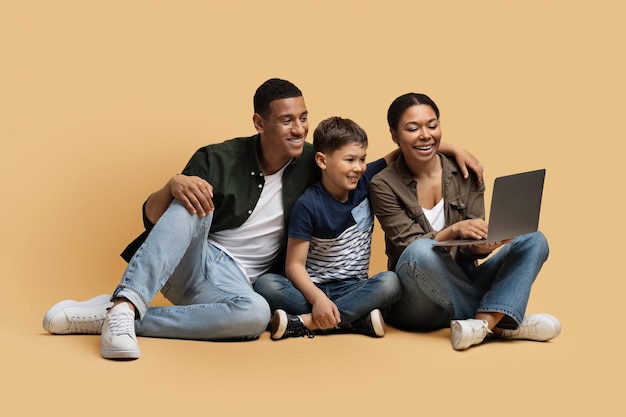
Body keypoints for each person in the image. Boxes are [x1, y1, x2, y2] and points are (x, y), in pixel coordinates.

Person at [42, 79, 483, 360]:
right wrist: (173, 184)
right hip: (194, 262)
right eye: (287, 120)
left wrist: (444, 148)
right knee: (190, 197)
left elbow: (364, 165)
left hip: (240, 285)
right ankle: (125, 301)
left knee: (254, 317)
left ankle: (117, 315)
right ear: (260, 122)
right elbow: (153, 217)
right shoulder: (219, 157)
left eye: (304, 119)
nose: (298, 129)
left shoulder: (314, 161)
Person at [369, 92, 561, 351]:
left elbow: (472, 247)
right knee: (421, 251)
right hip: (416, 298)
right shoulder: (383, 184)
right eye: (413, 128)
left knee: (534, 239)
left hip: (464, 277)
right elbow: (408, 247)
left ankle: (481, 325)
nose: (425, 134)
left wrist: (484, 245)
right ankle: (501, 320)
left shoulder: (465, 171)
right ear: (394, 135)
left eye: (432, 125)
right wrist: (453, 230)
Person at [254, 117, 402, 340]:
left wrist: (449, 149)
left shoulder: (366, 179)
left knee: (391, 283)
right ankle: (353, 320)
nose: (358, 167)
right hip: (310, 290)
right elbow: (294, 265)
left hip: (354, 288)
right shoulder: (308, 204)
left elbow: (403, 153)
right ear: (322, 161)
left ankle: (306, 323)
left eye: (362, 159)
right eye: (350, 159)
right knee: (267, 284)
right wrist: (317, 299)